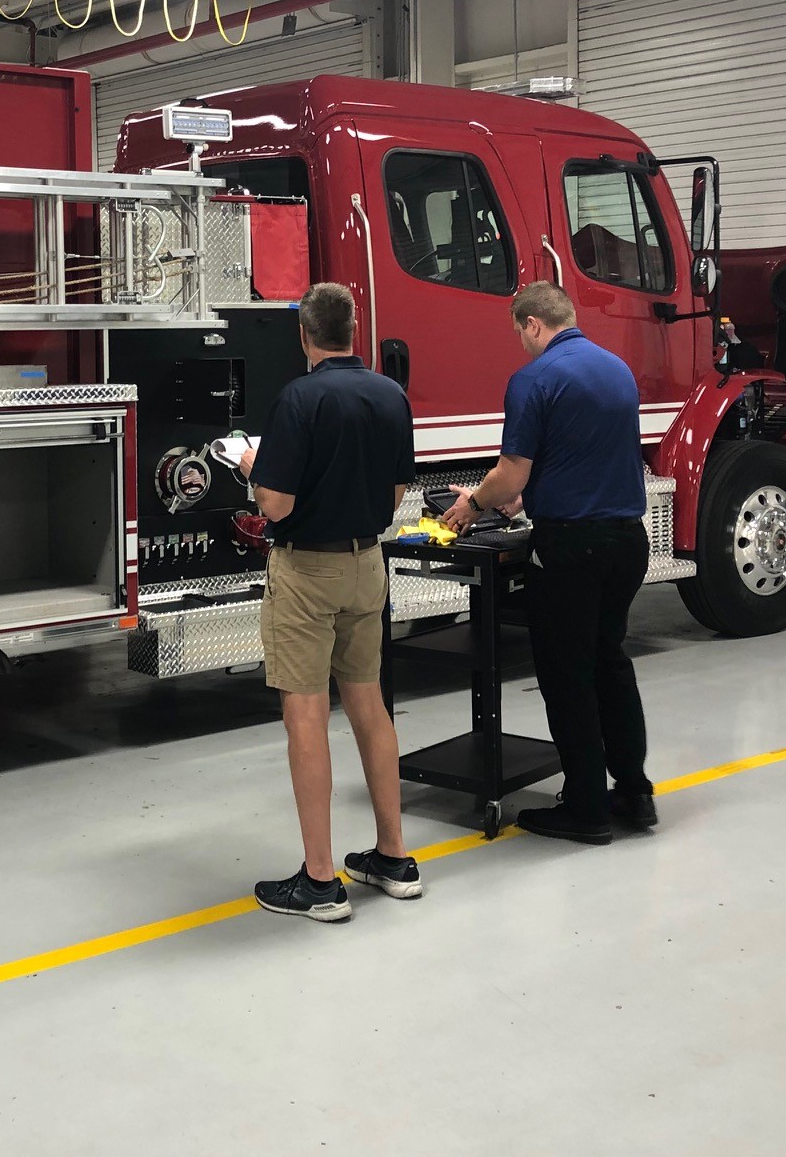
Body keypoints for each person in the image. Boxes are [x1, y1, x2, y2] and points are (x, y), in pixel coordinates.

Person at [441, 282, 656, 845]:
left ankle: (585, 809)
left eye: (520, 332)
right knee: (609, 662)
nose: (521, 342)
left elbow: (511, 470)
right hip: (627, 541)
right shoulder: (617, 369)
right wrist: (526, 497)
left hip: (571, 548)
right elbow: (584, 454)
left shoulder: (534, 378)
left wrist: (473, 503)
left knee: (567, 676)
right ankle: (633, 793)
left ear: (533, 324)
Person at [239, 282, 419, 922]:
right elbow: (396, 493)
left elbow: (275, 504)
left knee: (306, 715)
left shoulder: (300, 398)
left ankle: (319, 881)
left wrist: (253, 469)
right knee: (369, 704)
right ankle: (393, 857)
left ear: (305, 336)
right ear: (353, 329)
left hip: (307, 571)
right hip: (367, 564)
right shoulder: (391, 395)